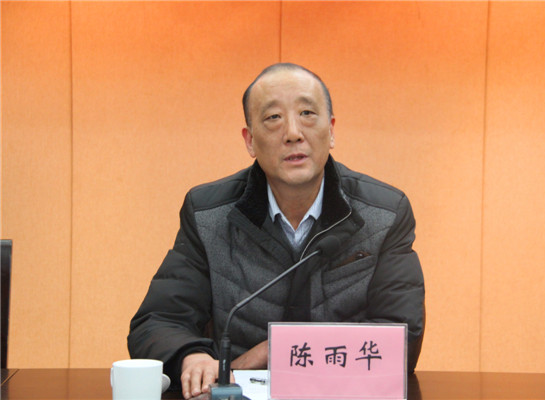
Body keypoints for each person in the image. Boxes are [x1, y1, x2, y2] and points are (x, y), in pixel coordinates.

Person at [128, 63, 425, 399]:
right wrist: (191, 356)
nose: (293, 133)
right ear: (250, 141)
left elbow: (401, 339)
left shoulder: (384, 214)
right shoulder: (208, 214)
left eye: (307, 113)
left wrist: (276, 351)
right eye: (273, 118)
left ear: (331, 131)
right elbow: (157, 322)